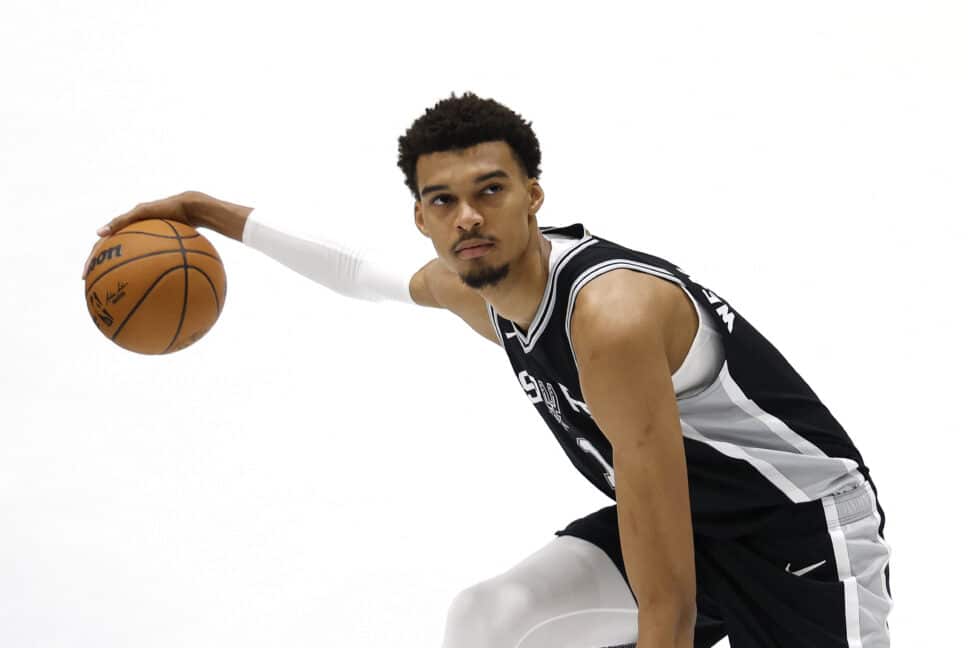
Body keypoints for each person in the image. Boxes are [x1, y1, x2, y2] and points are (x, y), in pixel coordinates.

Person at [88, 92, 893, 648]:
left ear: (533, 196)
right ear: (422, 217)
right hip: (685, 524)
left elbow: (668, 599)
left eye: (489, 190)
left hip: (801, 530)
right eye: (441, 200)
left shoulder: (609, 318)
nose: (466, 215)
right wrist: (203, 210)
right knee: (489, 617)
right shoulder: (478, 291)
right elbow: (358, 271)